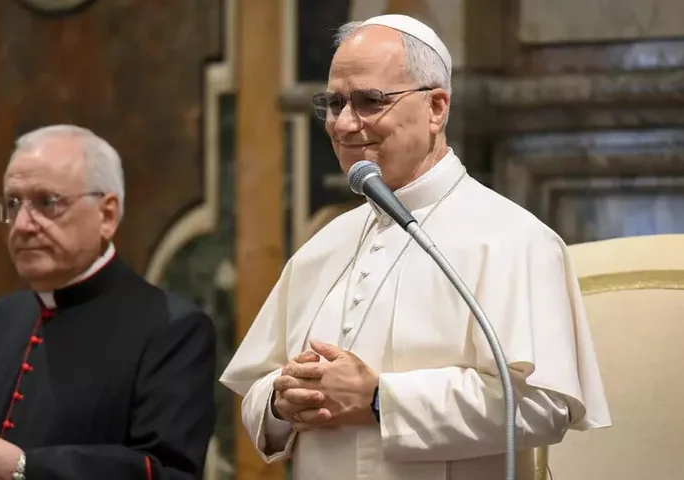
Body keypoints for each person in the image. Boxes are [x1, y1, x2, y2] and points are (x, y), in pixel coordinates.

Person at [220, 14, 612, 480]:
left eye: (369, 101)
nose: (344, 123)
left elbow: (543, 404)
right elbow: (256, 388)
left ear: (437, 107)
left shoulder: (513, 237)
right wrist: (283, 401)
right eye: (334, 103)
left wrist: (380, 400)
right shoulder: (325, 244)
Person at [0, 125, 216, 480]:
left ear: (107, 214)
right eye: (12, 204)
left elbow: (168, 472)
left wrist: (25, 469)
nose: (23, 224)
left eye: (47, 202)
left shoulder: (173, 328)